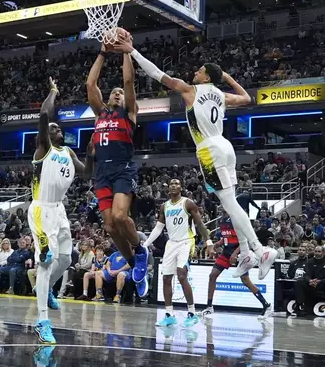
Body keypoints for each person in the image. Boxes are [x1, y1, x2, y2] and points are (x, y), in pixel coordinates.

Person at [112, 30, 277, 279]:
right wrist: (229, 78)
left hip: (210, 151)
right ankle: (246, 252)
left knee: (231, 204)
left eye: (199, 70)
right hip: (225, 146)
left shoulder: (190, 90)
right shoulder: (221, 95)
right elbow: (245, 98)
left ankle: (259, 249)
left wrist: (131, 51)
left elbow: (157, 74)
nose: (195, 72)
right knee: (229, 203)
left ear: (206, 76)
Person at [28, 77, 93, 344]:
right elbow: (45, 113)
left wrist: (91, 153)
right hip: (41, 210)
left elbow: (88, 175)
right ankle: (42, 321)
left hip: (60, 211)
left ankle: (47, 289)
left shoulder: (68, 152)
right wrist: (53, 90)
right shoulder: (43, 149)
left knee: (66, 259)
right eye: (53, 128)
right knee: (45, 262)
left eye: (58, 128)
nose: (58, 130)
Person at [86, 33, 149, 300]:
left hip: (123, 168)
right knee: (110, 226)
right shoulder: (100, 113)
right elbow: (90, 83)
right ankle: (135, 264)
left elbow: (128, 80)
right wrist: (101, 53)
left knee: (122, 217)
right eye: (114, 93)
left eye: (120, 94)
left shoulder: (129, 113)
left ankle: (141, 250)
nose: (117, 93)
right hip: (102, 172)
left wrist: (126, 50)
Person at [143, 179, 209, 328]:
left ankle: (192, 313)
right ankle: (169, 315)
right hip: (171, 243)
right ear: (168, 189)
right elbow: (159, 228)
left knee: (181, 275)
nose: (173, 185)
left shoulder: (188, 203)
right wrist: (145, 244)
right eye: (171, 184)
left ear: (181, 188)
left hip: (187, 241)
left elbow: (199, 224)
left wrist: (208, 242)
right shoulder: (164, 206)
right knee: (166, 278)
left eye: (176, 183)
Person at [201, 214, 272, 320]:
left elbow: (245, 240)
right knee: (212, 275)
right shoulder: (222, 220)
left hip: (241, 253)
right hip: (226, 252)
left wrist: (235, 253)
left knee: (245, 281)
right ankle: (209, 307)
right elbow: (226, 238)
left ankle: (266, 306)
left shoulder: (237, 219)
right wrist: (216, 244)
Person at [293, 245, 325, 316]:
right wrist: (310, 280)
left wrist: (319, 281)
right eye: (316, 251)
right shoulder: (309, 262)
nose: (317, 253)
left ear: (323, 252)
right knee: (299, 282)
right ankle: (299, 305)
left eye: (319, 252)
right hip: (311, 283)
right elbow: (306, 274)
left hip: (322, 284)